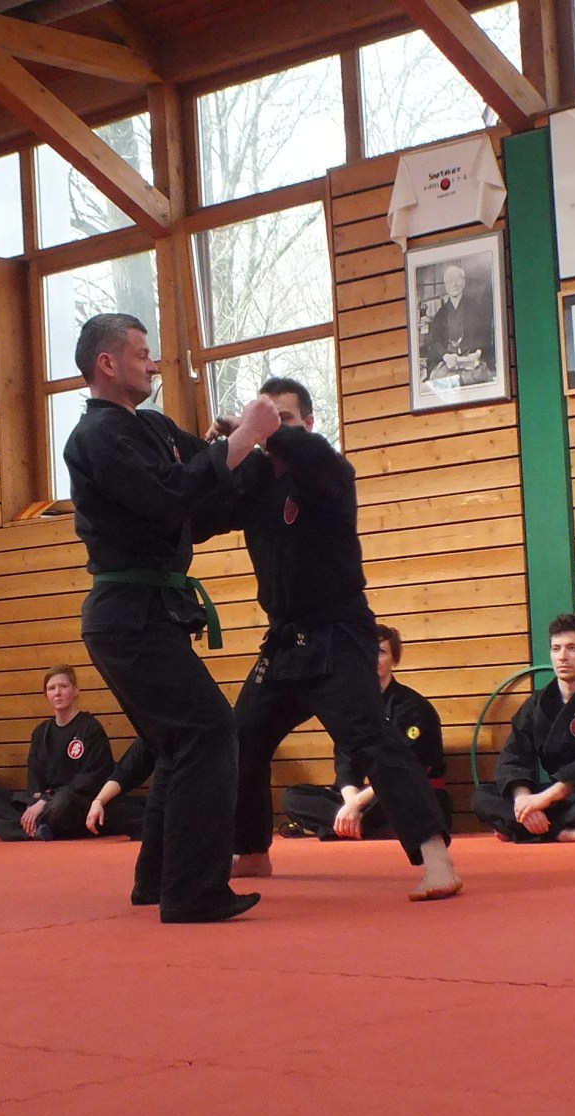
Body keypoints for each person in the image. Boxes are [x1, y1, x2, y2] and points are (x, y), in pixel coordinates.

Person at [63, 312, 279, 924]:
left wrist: (255, 455)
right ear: (107, 363)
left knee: (178, 741)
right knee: (208, 732)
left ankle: (158, 880)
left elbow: (199, 491)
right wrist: (242, 439)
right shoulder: (95, 436)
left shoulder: (152, 426)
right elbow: (169, 494)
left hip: (148, 611)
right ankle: (192, 890)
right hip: (126, 612)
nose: (153, 364)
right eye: (142, 354)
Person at [220, 380, 461, 901]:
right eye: (264, 419)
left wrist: (264, 431)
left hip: (338, 631)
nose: (270, 430)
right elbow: (206, 507)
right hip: (285, 638)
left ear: (308, 424)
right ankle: (252, 849)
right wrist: (223, 446)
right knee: (242, 736)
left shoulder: (328, 469)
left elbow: (308, 456)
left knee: (370, 737)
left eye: (283, 419)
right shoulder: (257, 480)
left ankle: (436, 857)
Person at [475, 614, 575, 843]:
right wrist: (524, 800)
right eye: (556, 648)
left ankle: (522, 828)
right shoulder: (538, 703)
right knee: (482, 796)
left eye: (572, 648)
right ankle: (564, 833)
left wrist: (547, 797)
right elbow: (514, 756)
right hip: (555, 801)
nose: (562, 656)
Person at [279, 623, 452, 842]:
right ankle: (362, 826)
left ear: (394, 659)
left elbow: (408, 771)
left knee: (406, 797)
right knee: (293, 798)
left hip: (410, 793)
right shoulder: (354, 707)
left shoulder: (415, 709)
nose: (373, 658)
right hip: (369, 799)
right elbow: (347, 763)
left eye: (381, 652)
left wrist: (358, 804)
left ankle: (347, 826)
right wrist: (352, 802)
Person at [0, 665, 116, 842]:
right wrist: (36, 801)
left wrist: (46, 800)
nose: (57, 693)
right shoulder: (41, 732)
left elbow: (93, 777)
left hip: (72, 801)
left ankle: (25, 829)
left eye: (63, 686)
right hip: (41, 802)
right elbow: (34, 776)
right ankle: (36, 830)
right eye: (51, 688)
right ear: (46, 695)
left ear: (76, 690)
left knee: (64, 801)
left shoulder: (90, 728)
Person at [421, 262, 494, 385]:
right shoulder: (440, 315)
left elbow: (484, 334)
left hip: (471, 361)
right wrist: (445, 356)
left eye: (458, 280)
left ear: (463, 282)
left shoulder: (476, 308)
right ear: (446, 286)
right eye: (450, 281)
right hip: (449, 363)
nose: (454, 284)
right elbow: (435, 340)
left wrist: (478, 353)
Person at [84, 736, 151, 840]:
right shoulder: (150, 737)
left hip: (176, 802)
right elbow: (124, 773)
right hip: (158, 803)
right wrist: (99, 801)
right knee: (107, 807)